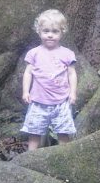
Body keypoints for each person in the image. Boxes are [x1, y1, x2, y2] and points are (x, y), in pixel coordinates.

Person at [21, 9, 77, 151]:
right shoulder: (34, 53)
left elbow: (72, 74)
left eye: (55, 31)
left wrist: (73, 93)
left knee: (63, 132)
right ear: (39, 32)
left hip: (61, 102)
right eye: (46, 31)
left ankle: (64, 155)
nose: (50, 35)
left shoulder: (67, 54)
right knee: (34, 133)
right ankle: (30, 157)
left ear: (62, 32)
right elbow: (28, 73)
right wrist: (25, 91)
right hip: (38, 102)